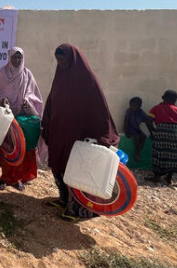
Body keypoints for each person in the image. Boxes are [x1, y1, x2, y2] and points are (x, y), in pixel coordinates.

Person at [42, 43, 119, 222]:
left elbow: (99, 110)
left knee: (76, 169)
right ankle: (63, 199)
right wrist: (47, 125)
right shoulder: (59, 77)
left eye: (64, 59)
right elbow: (52, 102)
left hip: (79, 135)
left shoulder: (87, 80)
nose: (61, 62)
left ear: (73, 58)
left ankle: (78, 208)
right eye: (58, 59)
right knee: (58, 165)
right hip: (60, 132)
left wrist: (99, 135)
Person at [0, 47, 43, 191]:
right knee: (7, 148)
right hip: (6, 116)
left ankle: (18, 178)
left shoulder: (27, 74)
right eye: (14, 58)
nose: (17, 61)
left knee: (21, 148)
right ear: (9, 57)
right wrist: (3, 100)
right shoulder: (2, 74)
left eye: (19, 58)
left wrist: (27, 101)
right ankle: (6, 177)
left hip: (22, 119)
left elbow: (33, 93)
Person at [145, 90, 177, 184]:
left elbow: (148, 121)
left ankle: (157, 177)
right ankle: (169, 177)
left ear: (163, 97)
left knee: (158, 154)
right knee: (173, 156)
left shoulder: (156, 108)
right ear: (175, 100)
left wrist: (153, 131)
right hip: (175, 133)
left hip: (161, 132)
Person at [123, 97, 150, 162]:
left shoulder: (141, 113)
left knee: (144, 137)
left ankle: (138, 151)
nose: (131, 107)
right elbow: (126, 122)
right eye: (130, 105)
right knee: (137, 137)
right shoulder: (128, 111)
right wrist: (126, 131)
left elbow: (147, 122)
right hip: (130, 128)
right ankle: (137, 153)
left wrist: (151, 132)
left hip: (136, 128)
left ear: (140, 106)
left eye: (134, 106)